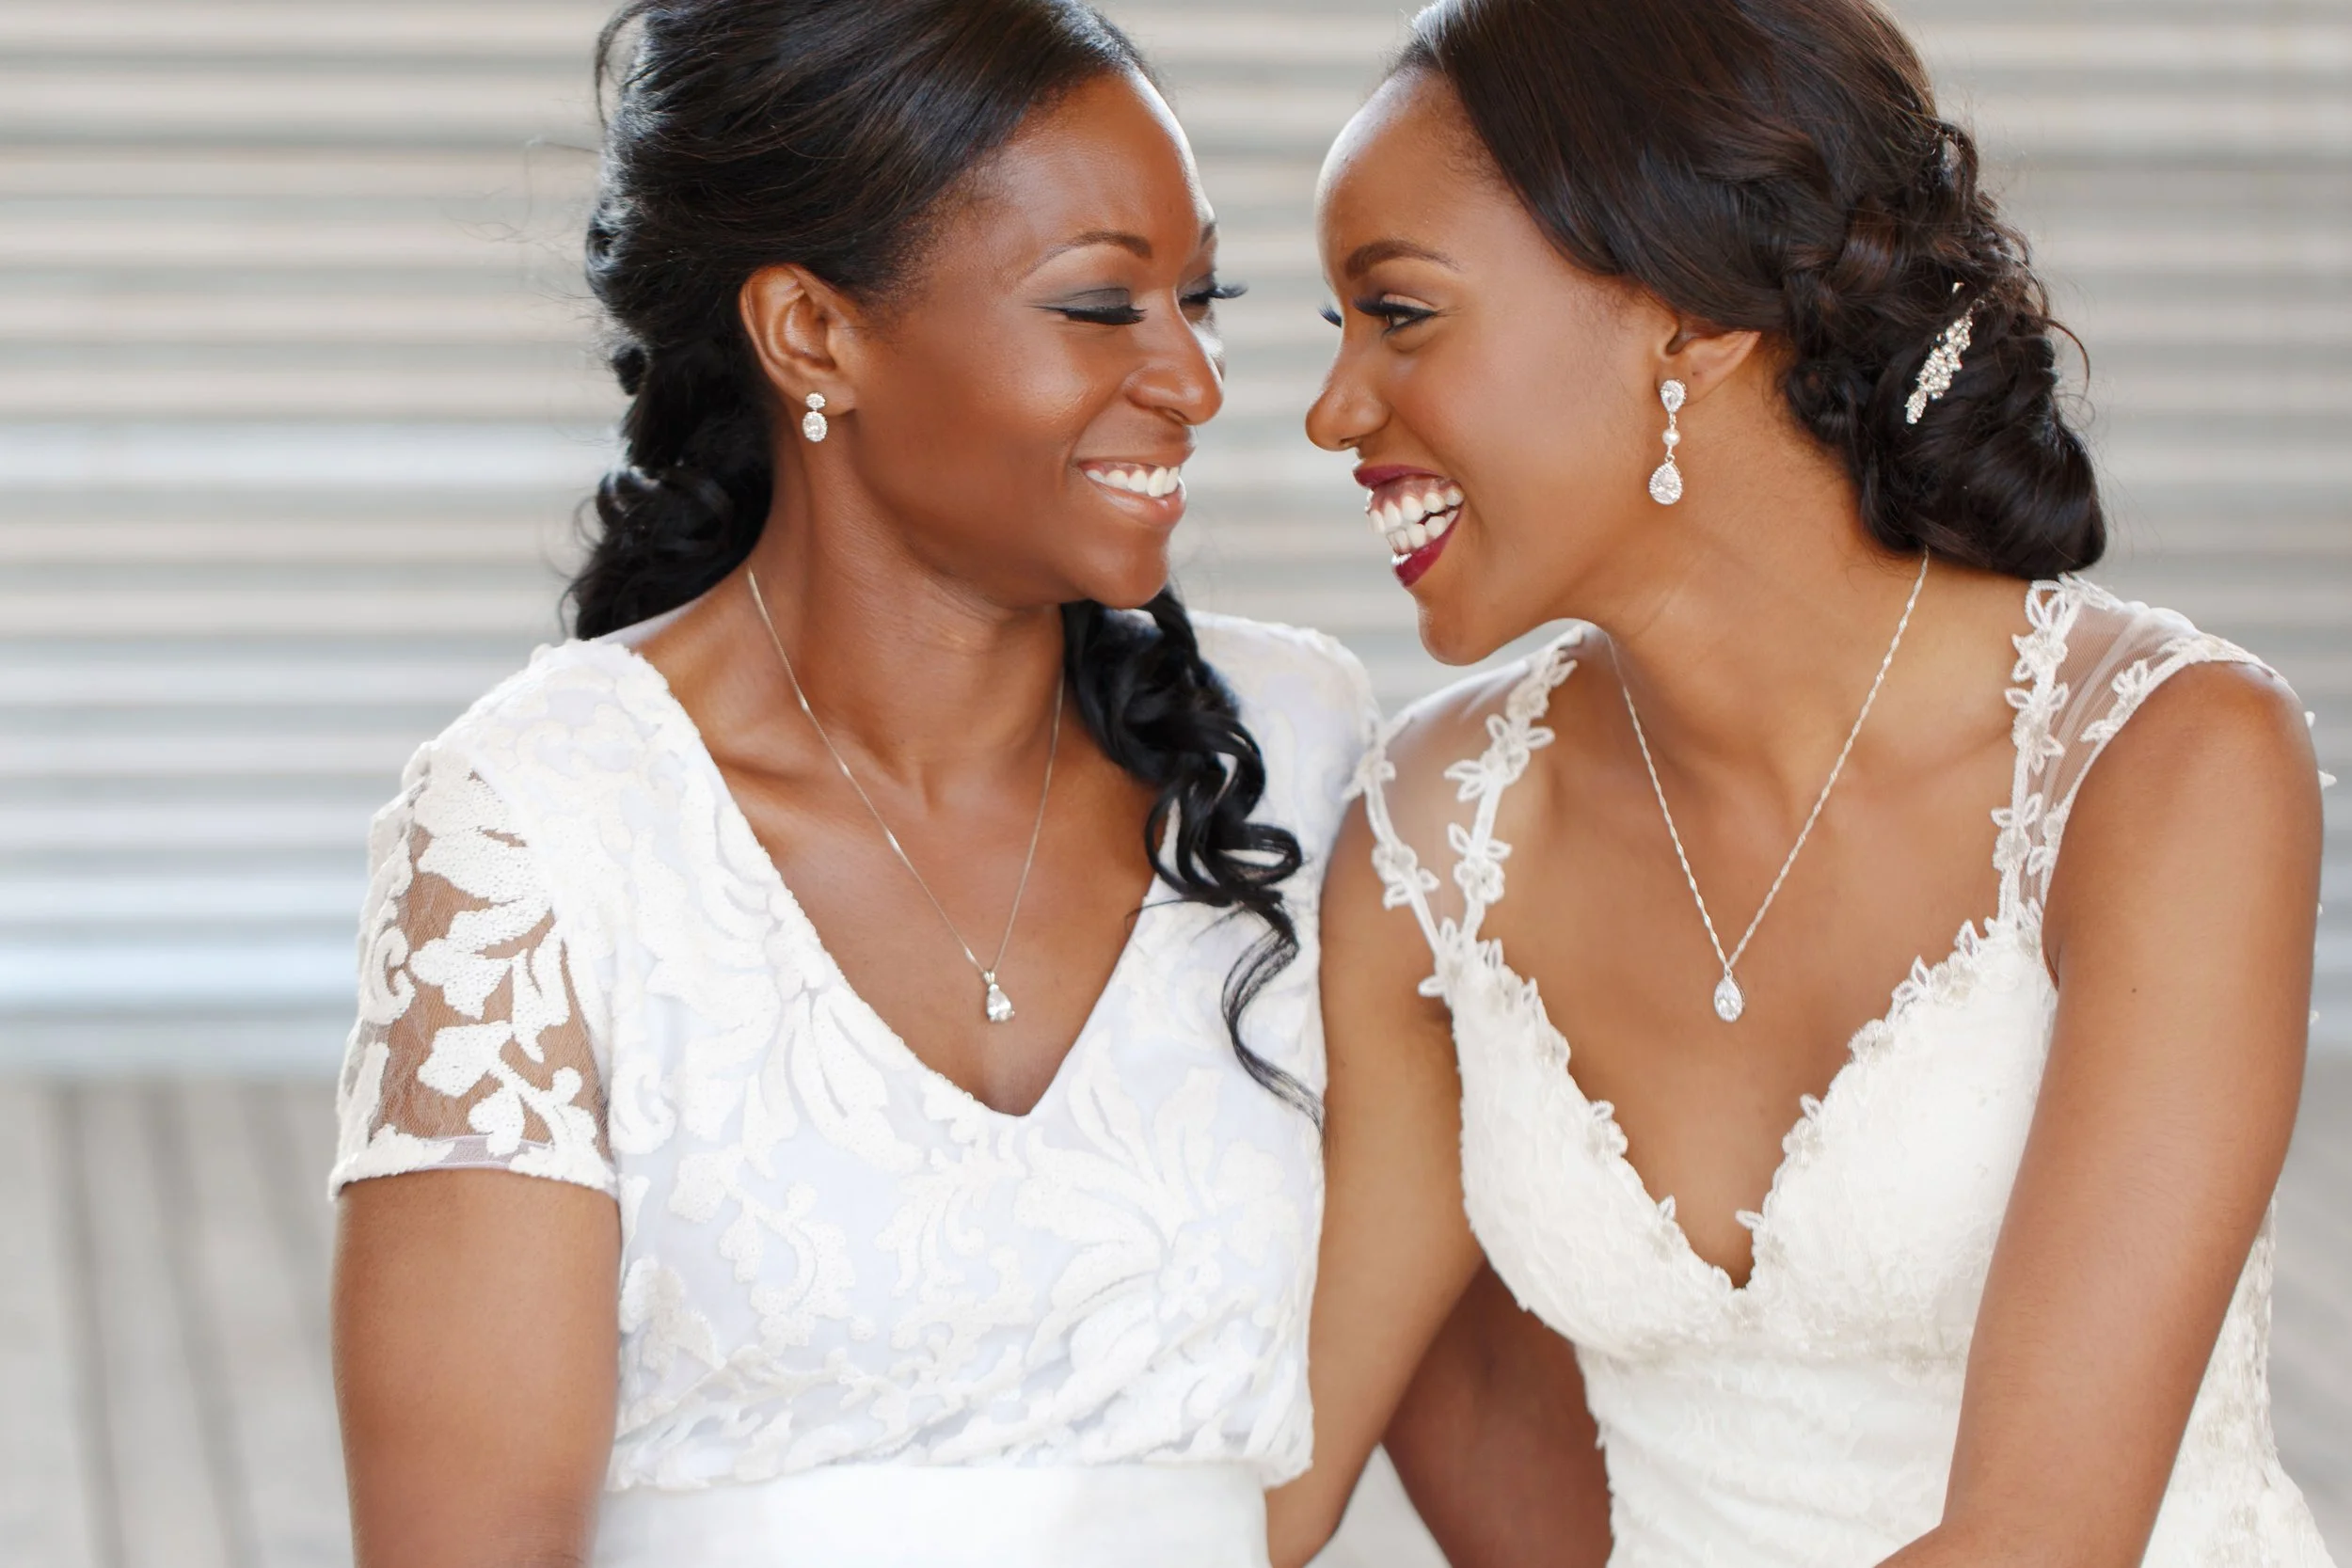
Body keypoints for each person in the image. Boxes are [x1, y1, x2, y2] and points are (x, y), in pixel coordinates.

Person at [1271, 1, 2334, 1564]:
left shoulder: (2163, 767)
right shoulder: (1433, 836)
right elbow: (1278, 1457)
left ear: (1690, 321)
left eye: (1403, 316)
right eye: (1334, 331)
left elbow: (2038, 1538)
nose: (1332, 410)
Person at [328, 4, 1375, 1564]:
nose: (1198, 380)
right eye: (1101, 306)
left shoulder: (1296, 744)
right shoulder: (537, 824)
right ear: (813, 333)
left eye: (1201, 296)